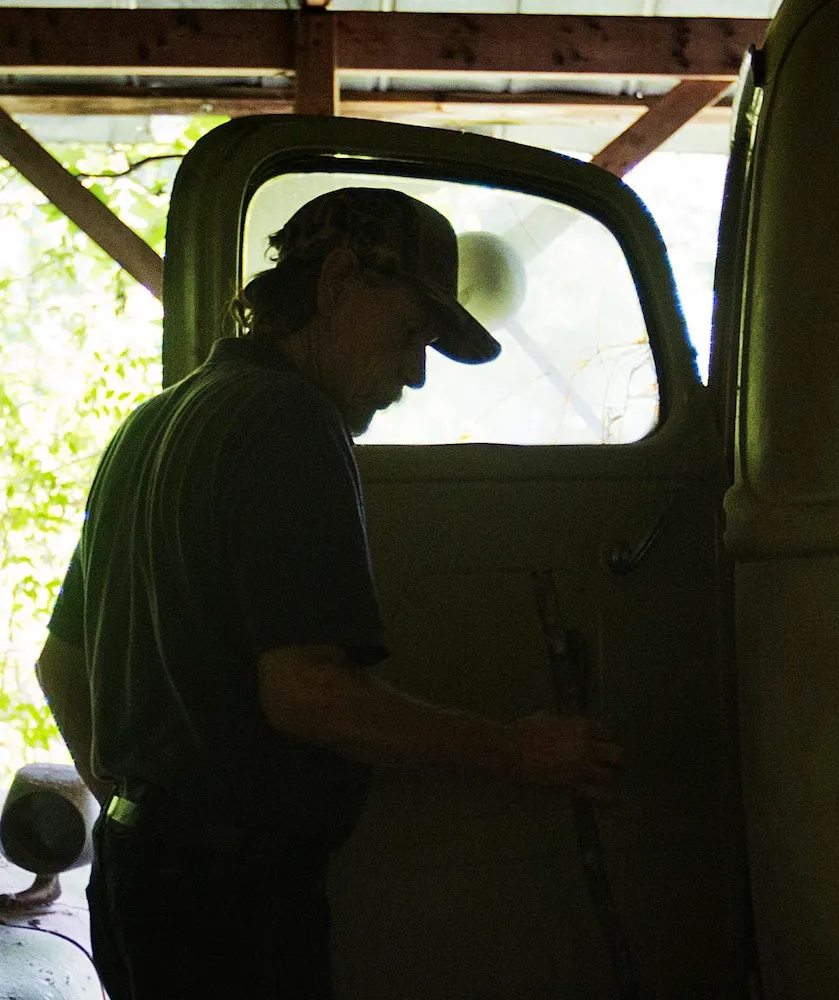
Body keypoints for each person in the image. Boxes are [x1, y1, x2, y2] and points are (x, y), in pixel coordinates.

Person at [35, 187, 623, 999]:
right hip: (234, 906)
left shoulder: (149, 424)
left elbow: (61, 666)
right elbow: (308, 695)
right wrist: (515, 751)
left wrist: (140, 812)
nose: (415, 373)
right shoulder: (291, 419)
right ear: (339, 279)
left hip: (136, 881)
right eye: (410, 332)